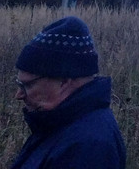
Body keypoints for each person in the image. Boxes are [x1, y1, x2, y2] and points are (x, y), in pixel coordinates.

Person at [10, 15, 126, 169]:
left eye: (27, 85)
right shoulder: (58, 125)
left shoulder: (87, 148)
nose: (18, 95)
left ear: (64, 81)